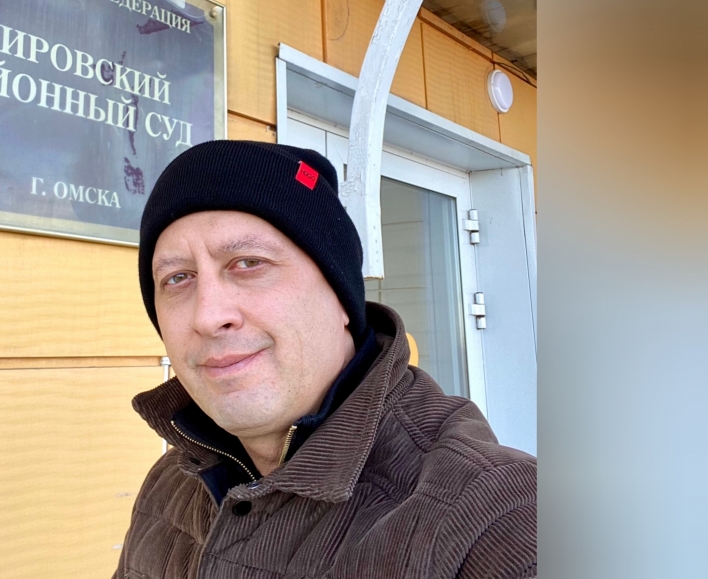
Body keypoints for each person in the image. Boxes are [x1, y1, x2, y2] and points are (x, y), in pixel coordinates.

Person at [116, 140, 537, 579]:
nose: (207, 316)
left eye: (249, 263)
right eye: (178, 278)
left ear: (340, 297)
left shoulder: (495, 516)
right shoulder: (172, 482)